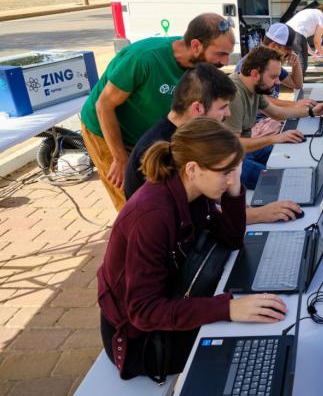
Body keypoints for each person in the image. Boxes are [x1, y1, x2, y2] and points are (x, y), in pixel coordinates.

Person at [98, 118, 288, 379]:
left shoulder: (195, 191)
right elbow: (143, 311)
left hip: (177, 296)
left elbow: (231, 239)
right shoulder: (151, 216)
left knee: (265, 324)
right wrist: (228, 309)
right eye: (225, 172)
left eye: (236, 168)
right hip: (142, 342)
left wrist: (233, 191)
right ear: (192, 169)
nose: (233, 177)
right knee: (253, 347)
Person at [80, 13, 235, 211]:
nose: (225, 61)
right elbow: (103, 106)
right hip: (105, 128)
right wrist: (120, 158)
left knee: (161, 194)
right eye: (220, 54)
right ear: (196, 45)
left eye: (228, 54)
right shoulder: (145, 59)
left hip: (145, 134)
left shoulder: (197, 66)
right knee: (132, 201)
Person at [123, 64, 304, 223]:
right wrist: (259, 214)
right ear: (197, 108)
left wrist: (247, 206)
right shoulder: (165, 150)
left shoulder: (187, 132)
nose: (227, 114)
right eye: (223, 107)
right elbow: (202, 219)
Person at [225, 46, 323, 189]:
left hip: (245, 151)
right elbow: (234, 146)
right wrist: (275, 138)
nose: (278, 82)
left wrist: (312, 111)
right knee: (281, 181)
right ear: (255, 74)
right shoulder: (234, 95)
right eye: (273, 77)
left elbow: (277, 113)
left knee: (293, 159)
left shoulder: (253, 87)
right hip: (229, 162)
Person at [235, 23, 316, 139]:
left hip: (269, 118)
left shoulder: (271, 63)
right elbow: (261, 101)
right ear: (273, 46)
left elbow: (297, 84)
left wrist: (296, 63)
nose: (289, 53)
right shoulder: (249, 64)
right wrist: (295, 105)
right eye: (287, 49)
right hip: (257, 124)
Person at [286, 3, 323, 72]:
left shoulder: (312, 12)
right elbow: (316, 40)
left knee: (285, 61)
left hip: (286, 32)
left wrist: (312, 53)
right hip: (296, 35)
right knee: (302, 65)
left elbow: (302, 37)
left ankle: (283, 81)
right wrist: (322, 52)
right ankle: (298, 82)